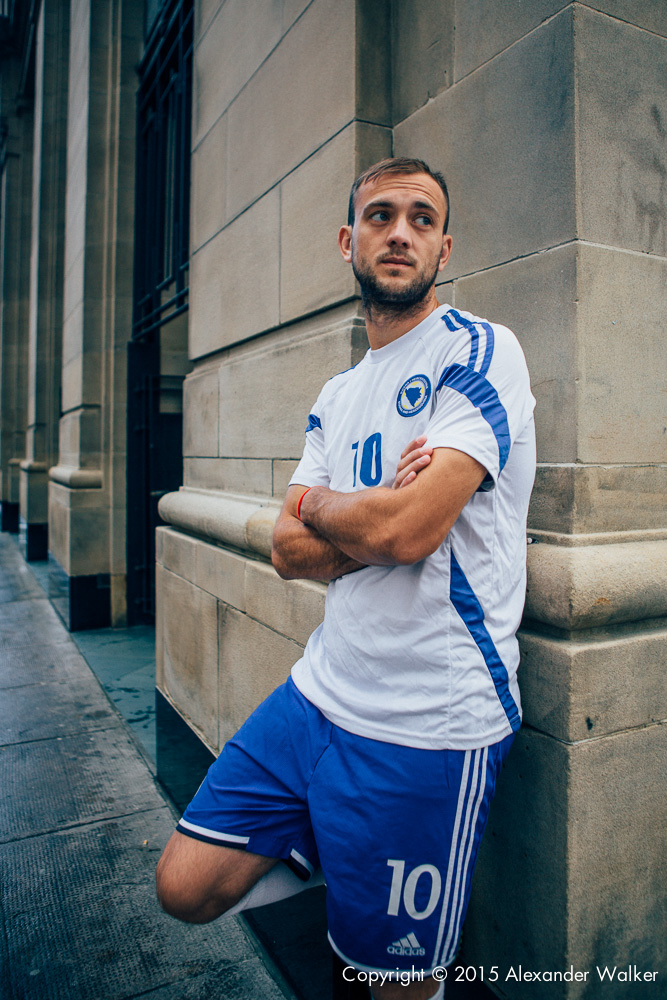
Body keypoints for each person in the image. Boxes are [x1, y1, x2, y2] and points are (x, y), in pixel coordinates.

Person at [156, 157, 536, 1000]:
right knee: (184, 885)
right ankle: (341, 848)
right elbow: (287, 550)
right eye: (380, 215)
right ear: (347, 240)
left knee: (393, 986)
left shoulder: (479, 351)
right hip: (319, 693)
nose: (399, 231)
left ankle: (363, 885)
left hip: (424, 723)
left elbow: (406, 531)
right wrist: (355, 505)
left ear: (444, 247)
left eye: (421, 218)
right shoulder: (338, 391)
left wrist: (338, 509)